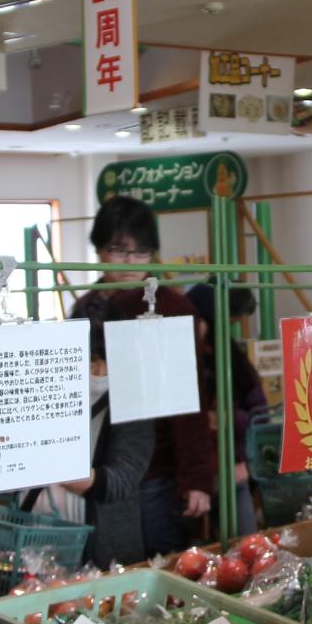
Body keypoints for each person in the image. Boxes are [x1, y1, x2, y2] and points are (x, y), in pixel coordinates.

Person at [70, 196, 217, 557]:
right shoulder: (84, 308)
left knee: (160, 573)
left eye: (140, 252)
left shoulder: (171, 308)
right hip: (96, 473)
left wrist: (196, 479)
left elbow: (193, 400)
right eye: (118, 250)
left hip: (159, 475)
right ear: (100, 251)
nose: (129, 263)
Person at [54, 299, 153, 569]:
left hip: (103, 550)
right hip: (43, 539)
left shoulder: (134, 401)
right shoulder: (51, 387)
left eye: (107, 361)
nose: (99, 373)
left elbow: (119, 481)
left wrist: (46, 467)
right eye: (91, 360)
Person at [187, 282, 269, 537]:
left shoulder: (233, 361)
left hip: (232, 471)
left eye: (195, 319)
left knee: (245, 543)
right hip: (188, 478)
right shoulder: (178, 358)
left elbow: (260, 415)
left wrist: (246, 461)